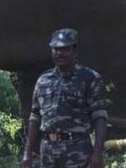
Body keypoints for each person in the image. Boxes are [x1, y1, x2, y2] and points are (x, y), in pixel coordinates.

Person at [22, 28, 107, 168]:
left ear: (75, 50)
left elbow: (100, 118)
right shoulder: (43, 80)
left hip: (77, 149)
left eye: (65, 49)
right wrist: (27, 152)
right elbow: (35, 117)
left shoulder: (90, 78)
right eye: (55, 49)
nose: (59, 53)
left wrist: (97, 154)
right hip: (48, 150)